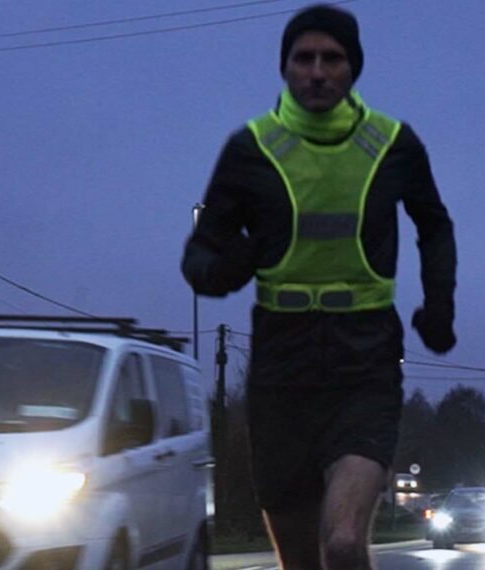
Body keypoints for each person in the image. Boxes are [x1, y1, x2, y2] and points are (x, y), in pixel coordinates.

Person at [181, 4, 456, 569]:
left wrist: (438, 306)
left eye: (332, 58)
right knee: (303, 561)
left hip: (366, 356)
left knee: (344, 542)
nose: (317, 71)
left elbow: (435, 224)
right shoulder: (249, 148)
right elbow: (201, 252)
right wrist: (226, 270)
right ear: (284, 68)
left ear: (353, 67)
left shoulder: (394, 144)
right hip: (281, 360)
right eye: (303, 58)